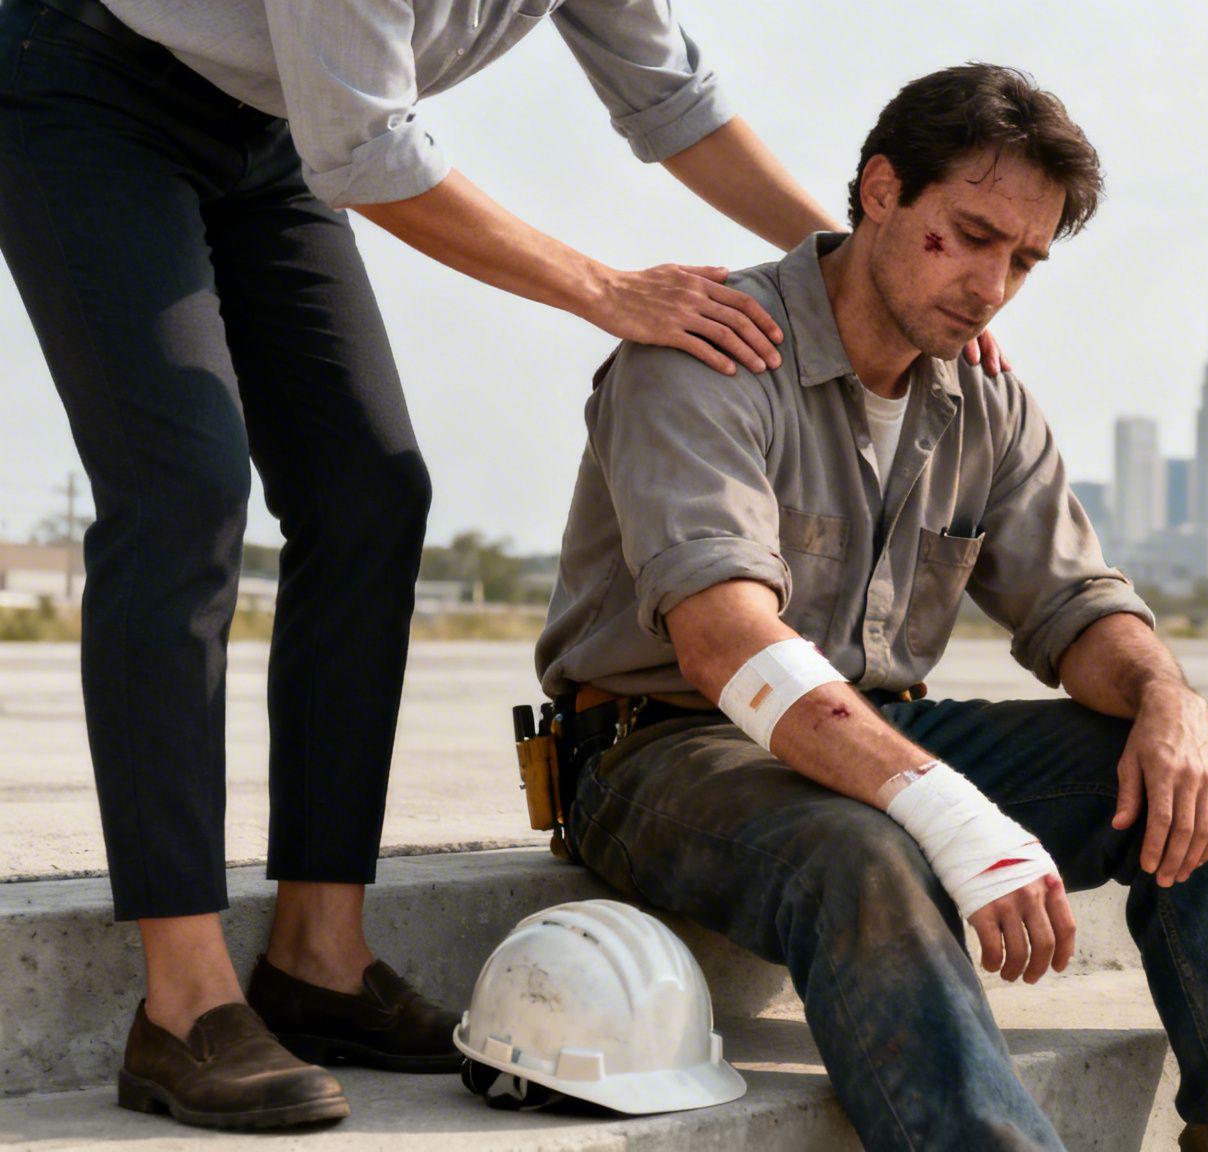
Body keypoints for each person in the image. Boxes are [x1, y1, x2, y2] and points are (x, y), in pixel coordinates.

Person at [0, 0, 1005, 1131]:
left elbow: (672, 101)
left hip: (271, 128)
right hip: (87, 83)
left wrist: (871, 275)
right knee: (182, 494)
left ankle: (318, 960)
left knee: (370, 497)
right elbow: (370, 149)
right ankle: (183, 1004)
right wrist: (603, 289)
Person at [536, 64, 1208, 1152]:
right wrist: (945, 810)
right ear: (879, 191)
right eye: (966, 235)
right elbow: (723, 637)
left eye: (1021, 260)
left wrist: (1166, 699)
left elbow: (1072, 602)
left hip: (875, 730)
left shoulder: (984, 396)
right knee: (856, 850)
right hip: (661, 751)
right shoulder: (708, 352)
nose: (989, 285)